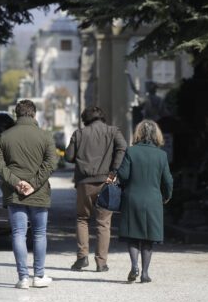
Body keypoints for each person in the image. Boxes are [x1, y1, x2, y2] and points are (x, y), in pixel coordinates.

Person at [0, 99, 57, 289]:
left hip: (15, 193)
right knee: (39, 234)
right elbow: (51, 163)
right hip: (39, 193)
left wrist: (16, 183)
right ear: (34, 114)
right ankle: (39, 275)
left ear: (16, 114)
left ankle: (23, 278)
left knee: (19, 233)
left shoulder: (3, 137)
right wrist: (33, 184)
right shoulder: (46, 137)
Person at [65, 106, 127, 272]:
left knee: (82, 219)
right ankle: (101, 263)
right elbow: (123, 148)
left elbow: (69, 156)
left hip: (84, 183)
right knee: (103, 223)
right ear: (102, 117)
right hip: (105, 181)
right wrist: (113, 171)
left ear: (85, 119)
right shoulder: (113, 131)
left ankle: (81, 258)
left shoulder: (79, 133)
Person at [117, 120, 173, 283]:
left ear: (138, 134)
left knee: (133, 235)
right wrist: (167, 195)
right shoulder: (161, 155)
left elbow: (123, 175)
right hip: (153, 200)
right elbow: (168, 180)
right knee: (148, 238)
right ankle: (145, 273)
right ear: (156, 135)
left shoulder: (131, 152)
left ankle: (134, 265)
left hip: (132, 197)